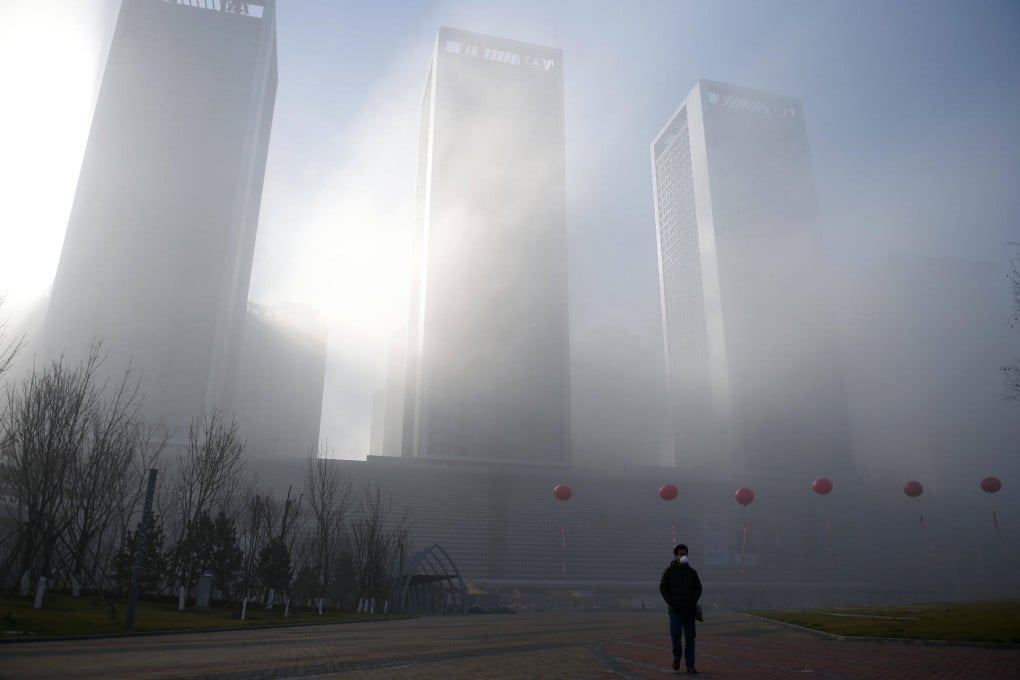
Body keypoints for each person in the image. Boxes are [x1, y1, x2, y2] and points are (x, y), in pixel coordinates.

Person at [659, 543, 702, 674]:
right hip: (675, 611)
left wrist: (693, 601)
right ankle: (677, 657)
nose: (684, 557)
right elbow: (662, 587)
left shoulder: (692, 572)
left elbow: (698, 588)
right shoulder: (669, 571)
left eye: (685, 554)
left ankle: (690, 665)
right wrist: (670, 601)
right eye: (681, 554)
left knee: (690, 638)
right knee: (676, 635)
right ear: (676, 556)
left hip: (689, 611)